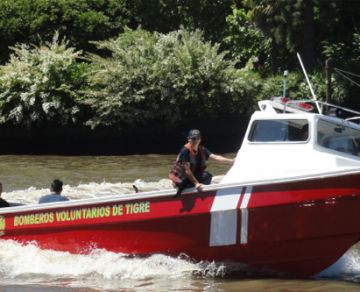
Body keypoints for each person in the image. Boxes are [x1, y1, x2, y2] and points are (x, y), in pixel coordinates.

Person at [169, 129, 235, 196]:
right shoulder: (185, 151)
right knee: (204, 177)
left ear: (200, 139)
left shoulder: (201, 149)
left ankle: (201, 191)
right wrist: (196, 183)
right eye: (193, 138)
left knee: (207, 175)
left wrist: (231, 161)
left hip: (191, 176)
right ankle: (192, 190)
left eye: (198, 138)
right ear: (189, 139)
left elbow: (215, 157)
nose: (196, 140)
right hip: (182, 179)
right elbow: (186, 170)